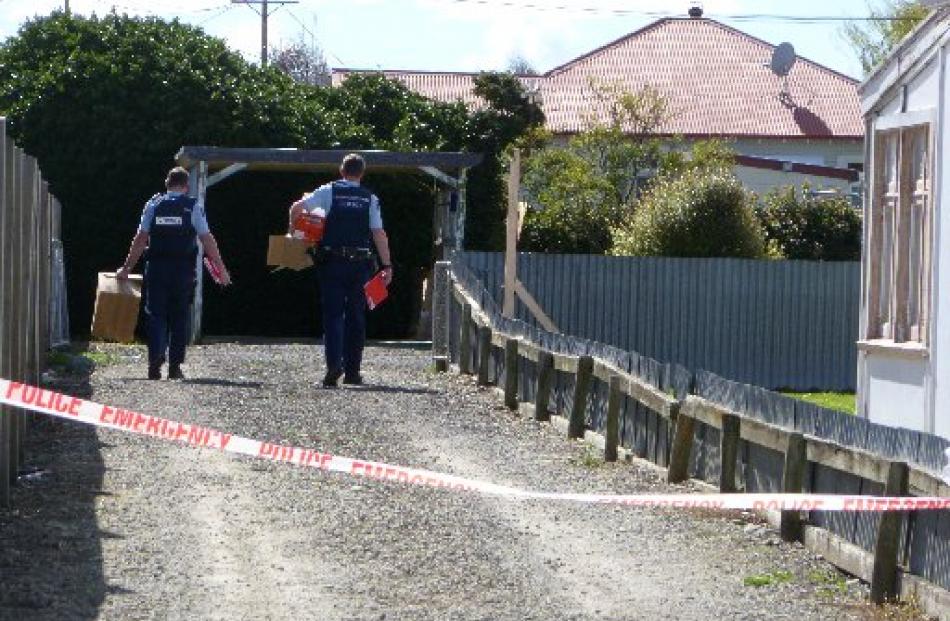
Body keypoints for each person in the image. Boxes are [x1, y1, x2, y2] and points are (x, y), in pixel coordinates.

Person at [116, 166, 231, 380]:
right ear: (186, 187)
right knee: (179, 316)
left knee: (156, 314)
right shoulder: (192, 206)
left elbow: (141, 238)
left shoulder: (153, 205)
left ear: (167, 184)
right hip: (183, 270)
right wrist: (221, 268)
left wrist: (126, 268)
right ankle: (175, 366)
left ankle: (155, 360)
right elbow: (207, 239)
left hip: (157, 269)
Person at [289, 153, 393, 387]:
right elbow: (379, 234)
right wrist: (387, 266)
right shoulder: (370, 198)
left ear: (341, 170)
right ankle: (353, 372)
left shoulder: (328, 191)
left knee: (333, 315)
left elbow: (297, 208)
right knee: (357, 316)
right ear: (362, 173)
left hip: (332, 262)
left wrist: (294, 234)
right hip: (360, 265)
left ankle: (333, 366)